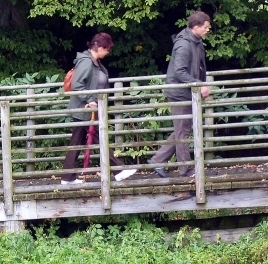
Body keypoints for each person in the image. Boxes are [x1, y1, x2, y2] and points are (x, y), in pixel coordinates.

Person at [61, 33, 137, 185]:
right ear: (100, 48)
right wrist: (90, 100)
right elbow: (77, 85)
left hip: (88, 111)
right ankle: (118, 170)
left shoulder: (94, 62)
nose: (108, 52)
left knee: (76, 144)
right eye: (107, 49)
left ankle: (67, 177)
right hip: (85, 110)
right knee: (99, 139)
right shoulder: (87, 62)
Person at [148, 11, 211, 178]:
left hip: (185, 91)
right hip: (179, 93)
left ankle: (158, 160)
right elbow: (180, 72)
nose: (207, 30)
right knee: (183, 131)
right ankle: (185, 170)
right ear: (196, 27)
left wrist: (199, 85)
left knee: (182, 129)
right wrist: (199, 85)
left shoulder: (195, 41)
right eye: (205, 27)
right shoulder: (184, 44)